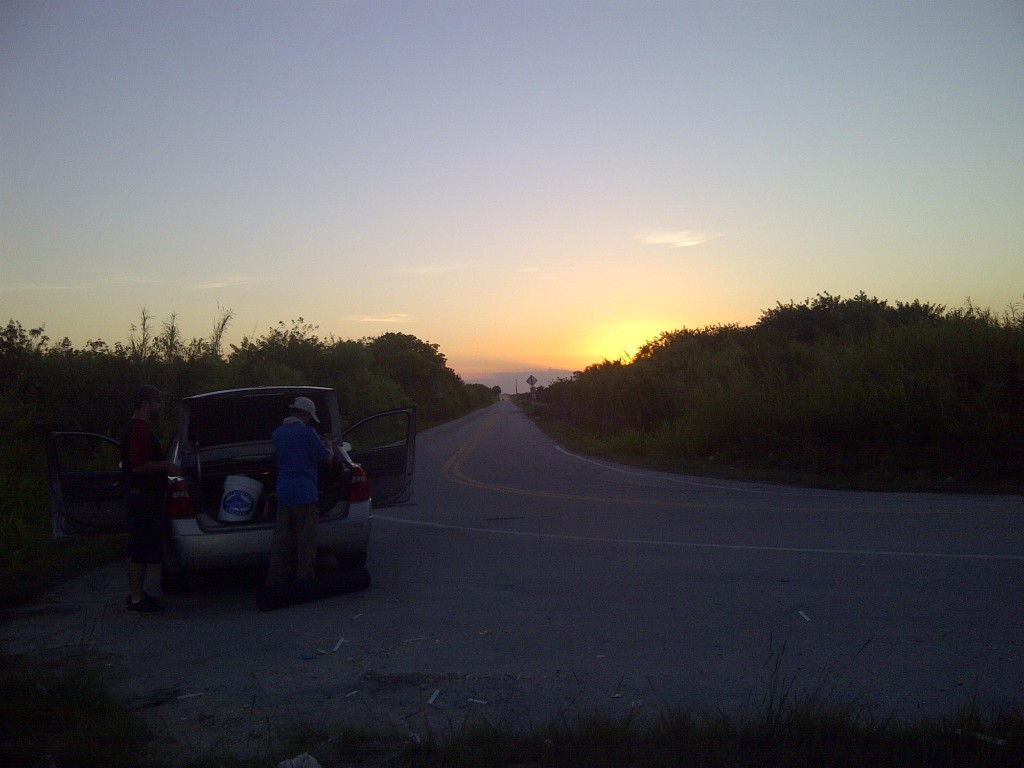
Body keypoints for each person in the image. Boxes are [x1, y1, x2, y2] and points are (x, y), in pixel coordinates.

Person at [121, 385, 179, 613]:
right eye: (158, 402)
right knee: (138, 548)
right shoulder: (138, 430)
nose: (161, 406)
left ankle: (138, 595)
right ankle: (136, 599)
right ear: (145, 403)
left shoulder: (140, 428)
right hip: (142, 498)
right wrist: (166, 465)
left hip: (144, 496)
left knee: (140, 548)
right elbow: (138, 466)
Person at [265, 396, 334, 587]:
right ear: (306, 415)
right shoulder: (308, 432)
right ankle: (304, 580)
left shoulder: (277, 433)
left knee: (282, 539)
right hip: (305, 493)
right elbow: (326, 459)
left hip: (284, 492)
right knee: (306, 540)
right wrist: (329, 447)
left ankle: (276, 580)